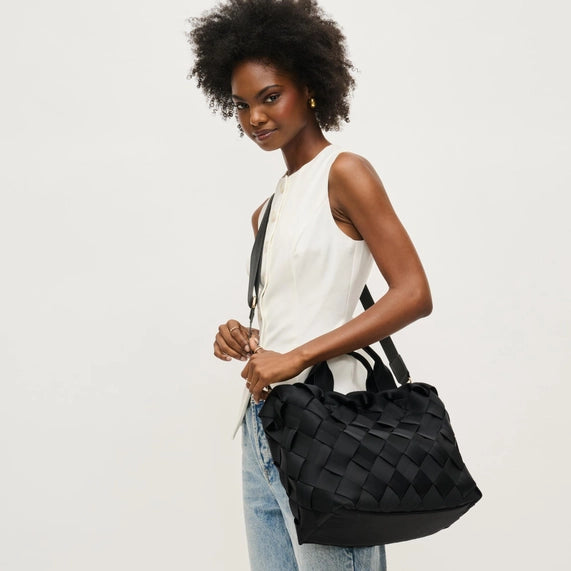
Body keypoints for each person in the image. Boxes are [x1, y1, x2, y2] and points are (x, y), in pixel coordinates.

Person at [188, 1, 432, 569]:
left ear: (311, 88)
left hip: (329, 420)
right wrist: (245, 336)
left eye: (270, 96)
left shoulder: (345, 172)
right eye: (241, 104)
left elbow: (413, 293)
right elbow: (296, 307)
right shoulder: (267, 210)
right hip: (261, 428)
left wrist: (296, 356)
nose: (255, 117)